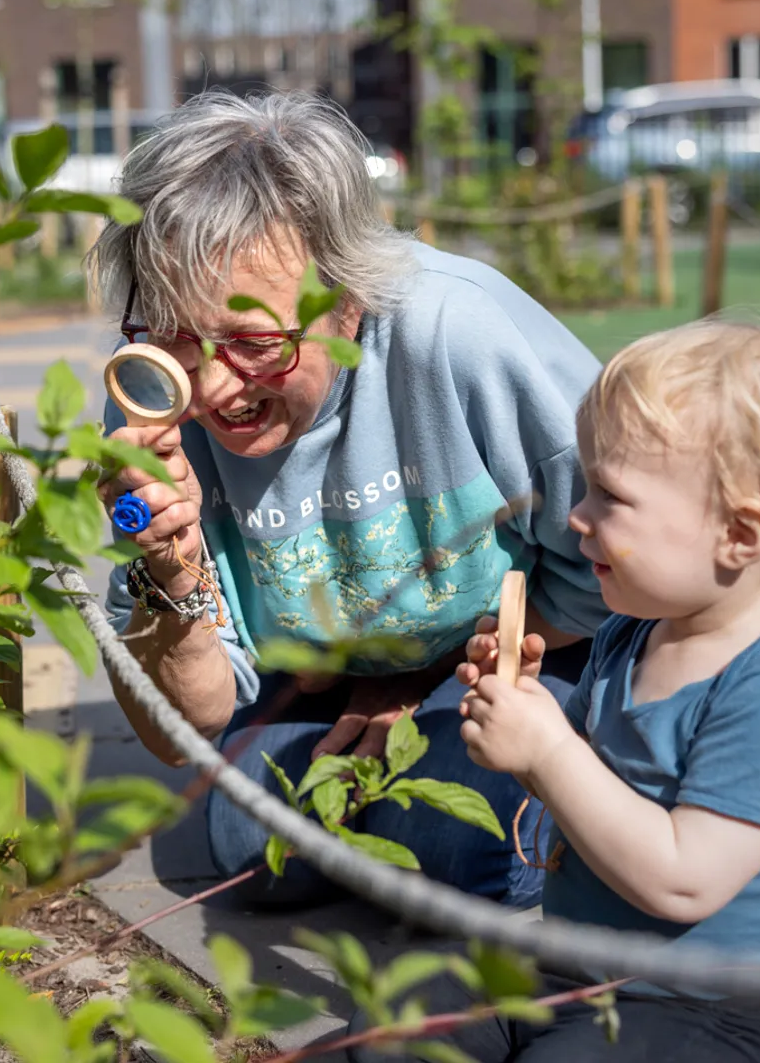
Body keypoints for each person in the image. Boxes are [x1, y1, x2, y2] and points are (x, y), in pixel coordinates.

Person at [93, 88, 608, 906]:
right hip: (328, 678)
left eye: (257, 343)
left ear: (350, 300)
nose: (212, 388)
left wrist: (426, 678)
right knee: (251, 850)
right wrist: (171, 567)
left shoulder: (457, 333)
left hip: (535, 642)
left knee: (472, 842)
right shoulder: (152, 394)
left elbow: (622, 551)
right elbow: (176, 726)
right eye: (175, 334)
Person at [349, 317, 760, 1061]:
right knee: (404, 1007)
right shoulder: (633, 633)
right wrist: (522, 724)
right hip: (565, 967)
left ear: (739, 535)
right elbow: (583, 797)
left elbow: (683, 882)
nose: (576, 516)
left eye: (610, 495)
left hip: (688, 1011)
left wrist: (550, 754)